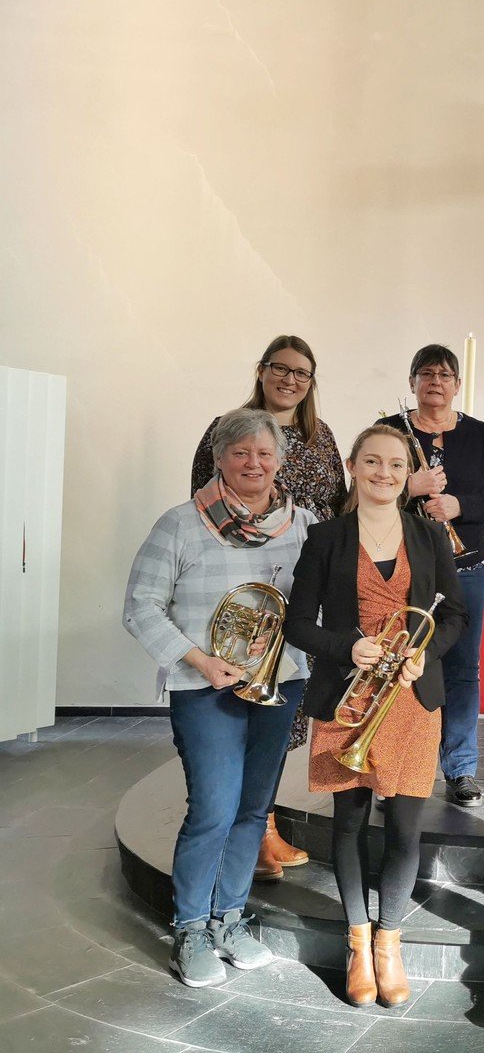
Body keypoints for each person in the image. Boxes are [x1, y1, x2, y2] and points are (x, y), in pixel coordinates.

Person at [124, 408, 315, 988]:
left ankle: (230, 919)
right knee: (213, 807)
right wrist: (201, 661)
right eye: (240, 453)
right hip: (204, 686)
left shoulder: (302, 524)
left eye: (264, 453)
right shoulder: (181, 524)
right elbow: (140, 607)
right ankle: (190, 928)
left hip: (278, 684)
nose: (253, 463)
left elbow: (316, 608)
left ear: (280, 461)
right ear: (219, 459)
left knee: (256, 808)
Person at [285, 425, 467, 1007]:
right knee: (349, 822)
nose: (384, 474)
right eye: (372, 462)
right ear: (353, 465)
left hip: (411, 699)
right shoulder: (326, 536)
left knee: (406, 828)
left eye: (395, 464)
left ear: (407, 469)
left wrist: (425, 653)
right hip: (348, 695)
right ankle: (357, 944)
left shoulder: (430, 534)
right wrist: (347, 646)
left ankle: (389, 941)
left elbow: (456, 616)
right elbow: (297, 624)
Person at [190, 335, 346, 878]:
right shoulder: (228, 426)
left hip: (304, 583)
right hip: (248, 588)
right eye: (280, 369)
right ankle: (248, 831)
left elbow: (337, 504)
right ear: (261, 371)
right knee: (242, 711)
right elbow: (204, 502)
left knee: (285, 714)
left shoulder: (320, 435)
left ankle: (263, 822)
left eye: (302, 373)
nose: (290, 380)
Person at [378, 345, 484, 809]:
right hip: (402, 566)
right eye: (426, 373)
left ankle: (460, 767)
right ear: (412, 381)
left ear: (457, 384)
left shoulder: (481, 434)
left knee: (462, 668)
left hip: (466, 566)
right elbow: (361, 487)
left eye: (445, 374)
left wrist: (459, 506)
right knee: (397, 662)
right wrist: (408, 487)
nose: (436, 381)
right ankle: (391, 762)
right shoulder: (389, 432)